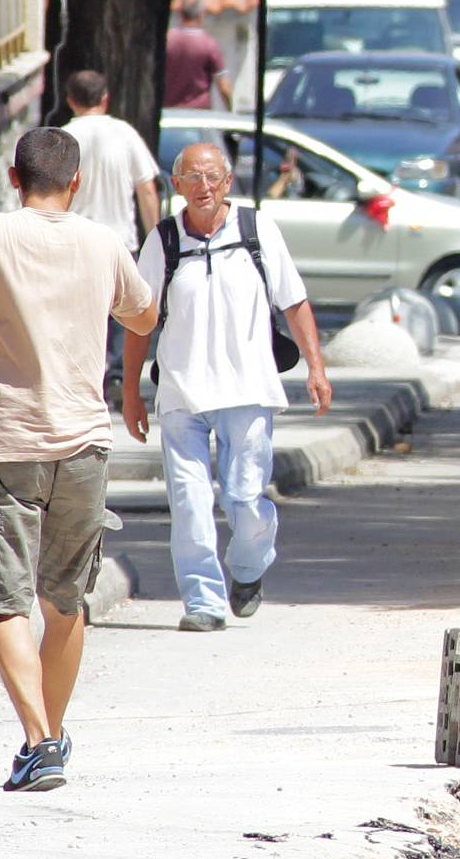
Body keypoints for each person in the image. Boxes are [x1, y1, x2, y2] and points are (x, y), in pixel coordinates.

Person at [0, 129, 157, 791]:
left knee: (5, 602)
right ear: (76, 182)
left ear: (12, 177)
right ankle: (47, 740)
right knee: (65, 603)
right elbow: (143, 316)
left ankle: (40, 739)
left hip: (12, 446)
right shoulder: (104, 242)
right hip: (86, 445)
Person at [121, 143, 332, 632]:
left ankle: (248, 567)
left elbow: (294, 303)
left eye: (212, 176)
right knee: (190, 503)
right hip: (181, 393)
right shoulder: (165, 241)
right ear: (177, 186)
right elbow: (139, 321)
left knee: (244, 498)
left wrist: (316, 370)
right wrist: (131, 392)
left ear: (228, 182)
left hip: (248, 391)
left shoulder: (257, 231)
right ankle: (203, 603)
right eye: (192, 177)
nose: (204, 186)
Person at [61, 69, 161, 254]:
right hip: (120, 245)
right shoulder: (125, 133)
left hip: (75, 247)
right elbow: (147, 190)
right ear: (105, 98)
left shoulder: (62, 139)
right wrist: (156, 245)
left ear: (70, 102)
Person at [163, 0, 234, 110]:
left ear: (180, 15)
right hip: (198, 114)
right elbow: (223, 85)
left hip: (169, 113)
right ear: (202, 15)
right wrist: (230, 110)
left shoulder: (167, 40)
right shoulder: (208, 44)